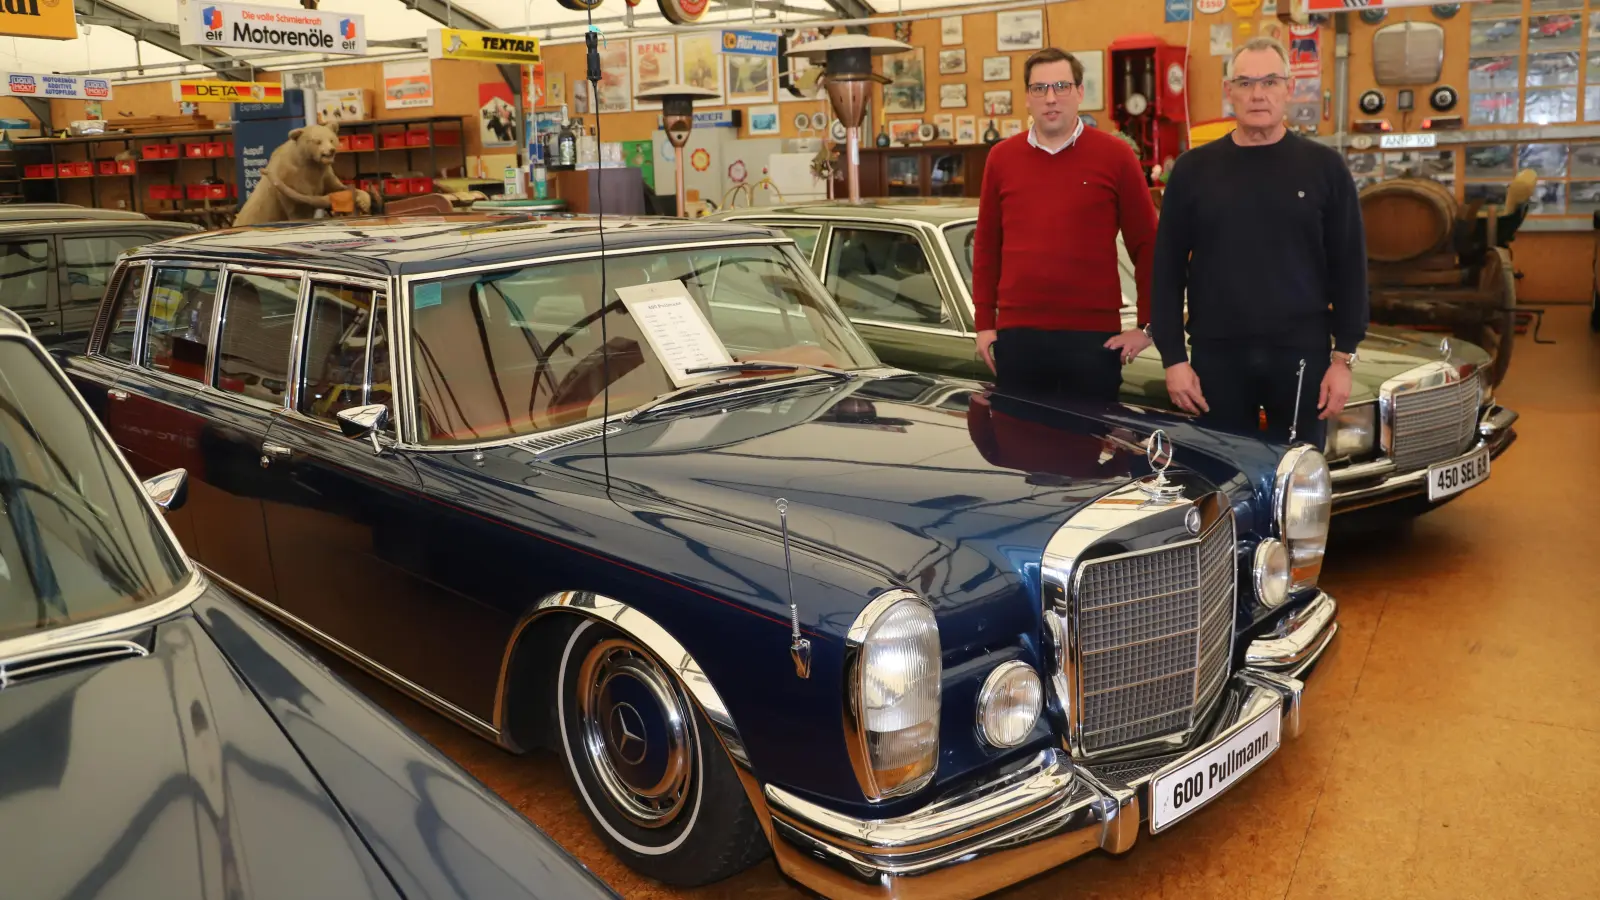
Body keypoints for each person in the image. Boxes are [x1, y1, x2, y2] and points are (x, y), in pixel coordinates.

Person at [1151, 37, 1368, 447]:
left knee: (1298, 479)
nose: (1257, 94)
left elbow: (1350, 267)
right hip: (1217, 358)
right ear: (1229, 91)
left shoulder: (1325, 168)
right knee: (1225, 481)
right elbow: (1166, 270)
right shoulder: (1193, 171)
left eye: (1269, 81)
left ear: (1288, 88)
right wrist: (1173, 358)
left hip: (1301, 356)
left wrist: (1344, 358)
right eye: (1245, 83)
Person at [970, 47, 1159, 403]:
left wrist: (1148, 327)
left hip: (1092, 340)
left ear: (1079, 92)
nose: (1051, 98)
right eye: (1039, 88)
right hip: (1018, 337)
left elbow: (1147, 244)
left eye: (1061, 86)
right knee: (1021, 451)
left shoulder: (1116, 156)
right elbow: (986, 247)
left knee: (1089, 450)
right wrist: (984, 323)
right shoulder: (1001, 158)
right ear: (1027, 97)